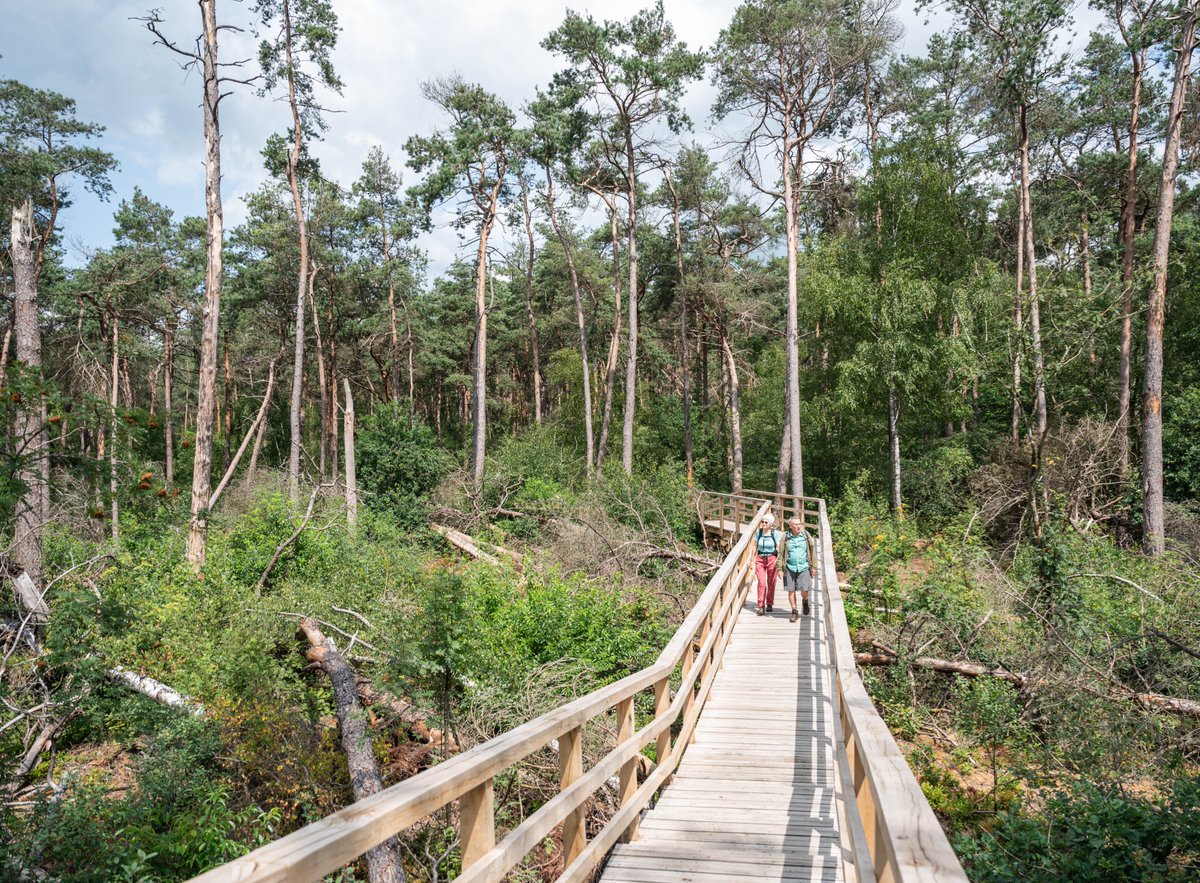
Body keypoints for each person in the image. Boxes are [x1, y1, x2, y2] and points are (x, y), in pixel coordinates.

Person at [781, 516, 816, 622]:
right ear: (790, 526)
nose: (799, 526)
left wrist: (813, 566)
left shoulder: (805, 535)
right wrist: (779, 568)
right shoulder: (786, 537)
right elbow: (781, 553)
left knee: (805, 590)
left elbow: (812, 550)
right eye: (796, 524)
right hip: (790, 567)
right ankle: (794, 611)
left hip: (804, 567)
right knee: (791, 591)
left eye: (800, 523)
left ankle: (805, 601)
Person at [753, 512, 783, 615]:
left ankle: (769, 603)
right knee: (761, 583)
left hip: (772, 559)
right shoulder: (759, 533)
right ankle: (761, 606)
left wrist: (779, 562)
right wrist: (751, 559)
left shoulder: (775, 534)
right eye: (762, 522)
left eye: (766, 522)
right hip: (760, 559)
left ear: (771, 524)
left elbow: (779, 548)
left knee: (771, 582)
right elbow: (755, 546)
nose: (763, 524)